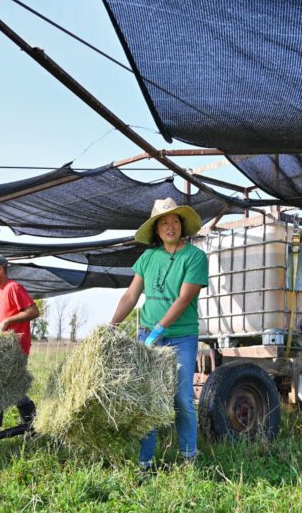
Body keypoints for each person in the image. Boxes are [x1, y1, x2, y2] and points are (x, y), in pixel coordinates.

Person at [111, 197, 208, 469]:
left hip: (181, 337)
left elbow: (184, 298)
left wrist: (160, 329)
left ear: (182, 226)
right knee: (149, 398)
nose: (170, 226)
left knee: (182, 398)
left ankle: (189, 457)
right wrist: (112, 325)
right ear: (156, 229)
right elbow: (131, 295)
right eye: (164, 222)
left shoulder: (195, 257)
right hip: (147, 335)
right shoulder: (148, 257)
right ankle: (145, 462)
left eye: (174, 221)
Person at [0, 253, 40, 434]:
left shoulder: (13, 288)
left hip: (16, 349)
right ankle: (33, 426)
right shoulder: (0, 291)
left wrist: (7, 321)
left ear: (0, 269)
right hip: (5, 349)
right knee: (9, 388)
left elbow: (34, 311)